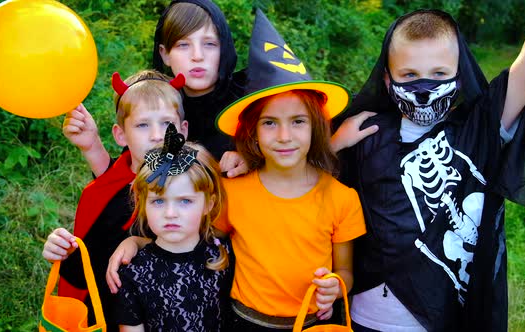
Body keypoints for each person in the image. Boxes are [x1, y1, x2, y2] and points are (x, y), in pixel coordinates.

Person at [106, 9, 367, 331]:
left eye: (298, 122)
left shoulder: (342, 199)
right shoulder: (236, 192)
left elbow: (346, 272)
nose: (284, 136)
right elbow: (191, 236)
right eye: (270, 123)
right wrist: (138, 243)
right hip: (243, 321)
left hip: (312, 323)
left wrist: (335, 287)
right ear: (253, 132)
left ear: (316, 127)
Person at [335, 2, 525, 331]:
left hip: (451, 316)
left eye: (439, 74)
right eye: (409, 75)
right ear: (387, 79)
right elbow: (307, 188)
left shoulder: (480, 128)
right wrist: (333, 144)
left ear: (460, 72)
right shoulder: (366, 133)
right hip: (371, 316)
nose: (423, 88)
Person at [42, 69, 189, 332]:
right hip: (103, 310)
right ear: (121, 135)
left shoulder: (191, 189)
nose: (157, 135)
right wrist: (64, 250)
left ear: (182, 131)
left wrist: (138, 242)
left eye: (167, 124)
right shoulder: (109, 187)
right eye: (143, 125)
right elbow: (88, 250)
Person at [63, 0, 247, 178]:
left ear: (224, 49)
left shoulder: (249, 102)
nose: (197, 56)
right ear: (164, 54)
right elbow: (128, 183)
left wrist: (253, 159)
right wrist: (92, 146)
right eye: (183, 45)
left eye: (209, 44)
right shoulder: (157, 103)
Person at [115, 126, 232, 331]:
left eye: (185, 201)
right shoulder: (133, 271)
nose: (170, 213)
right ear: (143, 203)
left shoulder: (224, 255)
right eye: (158, 202)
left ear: (209, 204)